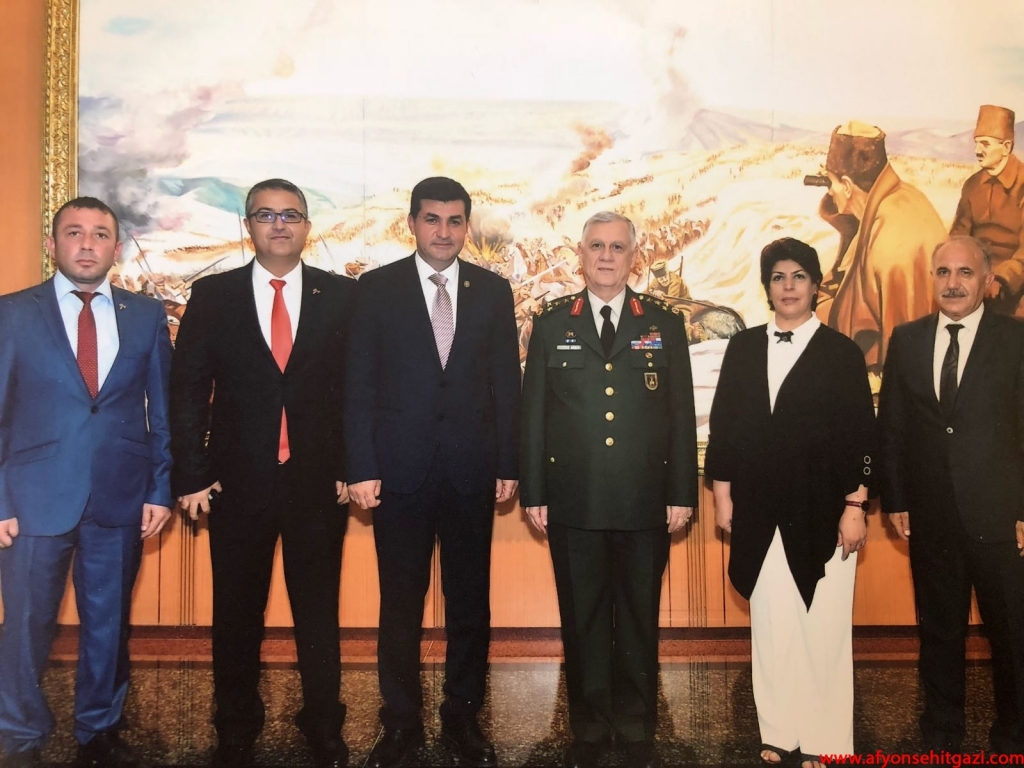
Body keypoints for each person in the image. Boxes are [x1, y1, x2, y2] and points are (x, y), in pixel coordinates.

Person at [170, 179, 353, 768]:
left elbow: (357, 391)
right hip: (235, 484)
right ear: (247, 225)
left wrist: (352, 467)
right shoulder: (213, 296)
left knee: (318, 612)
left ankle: (323, 723)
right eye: (266, 215)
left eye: (291, 214)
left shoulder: (340, 296)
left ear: (307, 227)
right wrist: (191, 474)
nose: (279, 224)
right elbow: (188, 390)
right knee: (236, 613)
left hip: (318, 484)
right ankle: (235, 724)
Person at [344, 177, 521, 768]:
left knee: (470, 603)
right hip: (398, 474)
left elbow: (507, 384)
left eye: (454, 220)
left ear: (466, 225)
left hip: (472, 470)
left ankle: (463, 719)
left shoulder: (492, 291)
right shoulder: (376, 289)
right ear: (412, 223)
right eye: (431, 219)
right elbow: (358, 385)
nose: (443, 232)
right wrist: (361, 465)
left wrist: (509, 462)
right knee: (400, 603)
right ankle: (400, 724)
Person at [519, 211, 698, 768]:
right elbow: (534, 415)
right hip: (574, 499)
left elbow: (680, 413)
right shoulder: (553, 324)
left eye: (617, 247)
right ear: (581, 254)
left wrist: (682, 492)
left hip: (646, 499)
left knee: (640, 615)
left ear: (633, 256)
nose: (605, 256)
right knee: (584, 618)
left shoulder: (663, 323)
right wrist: (534, 491)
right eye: (596, 246)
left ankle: (638, 723)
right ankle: (591, 725)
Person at [0, 197, 173, 768]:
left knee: (108, 625)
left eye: (100, 234)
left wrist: (160, 488)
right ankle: (19, 733)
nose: (87, 243)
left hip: (120, 495)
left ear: (115, 249)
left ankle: (99, 729)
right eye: (74, 232)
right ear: (53, 244)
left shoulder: (145, 315)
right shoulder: (11, 313)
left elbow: (161, 411)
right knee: (26, 624)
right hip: (31, 500)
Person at [705, 237, 875, 767]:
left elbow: (861, 437)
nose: (789, 286)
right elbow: (725, 428)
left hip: (824, 513)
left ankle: (827, 740)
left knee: (823, 629)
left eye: (799, 276)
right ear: (767, 287)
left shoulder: (842, 352)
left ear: (816, 285)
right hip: (759, 511)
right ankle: (779, 732)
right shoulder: (743, 347)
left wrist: (855, 507)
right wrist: (723, 497)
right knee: (772, 625)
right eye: (778, 277)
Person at [879, 236, 1024, 756]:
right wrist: (896, 499)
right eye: (943, 272)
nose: (953, 283)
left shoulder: (1016, 339)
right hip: (931, 517)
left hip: (1002, 517)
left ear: (988, 281)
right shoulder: (908, 339)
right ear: (932, 279)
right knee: (939, 631)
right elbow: (892, 425)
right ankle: (941, 732)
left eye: (965, 272)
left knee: (1012, 634)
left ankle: (1014, 734)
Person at [807, 121, 946, 374]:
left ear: (848, 186)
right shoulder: (898, 198)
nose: (830, 192)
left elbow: (903, 348)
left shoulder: (893, 238)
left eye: (832, 184)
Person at [949, 105, 1024, 315]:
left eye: (985, 144)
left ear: (1006, 147)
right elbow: (959, 235)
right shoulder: (973, 185)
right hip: (975, 279)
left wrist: (1000, 278)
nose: (977, 151)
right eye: (976, 143)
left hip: (1014, 286)